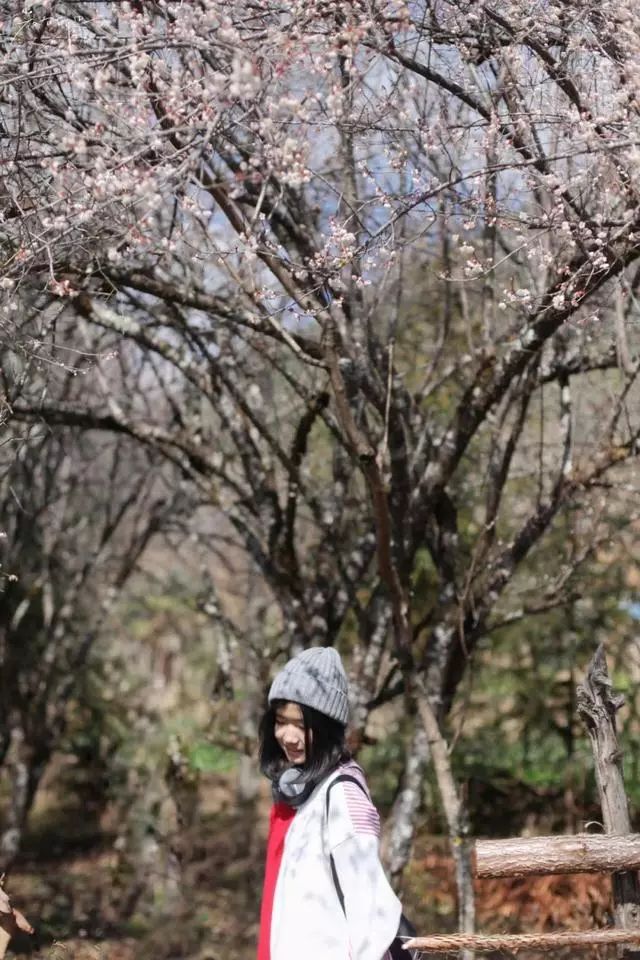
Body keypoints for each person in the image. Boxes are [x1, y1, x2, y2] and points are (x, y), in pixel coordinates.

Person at [256, 646, 402, 960]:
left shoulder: (342, 795)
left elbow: (372, 912)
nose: (289, 736)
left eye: (301, 725)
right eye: (281, 721)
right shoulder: (302, 792)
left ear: (325, 729)